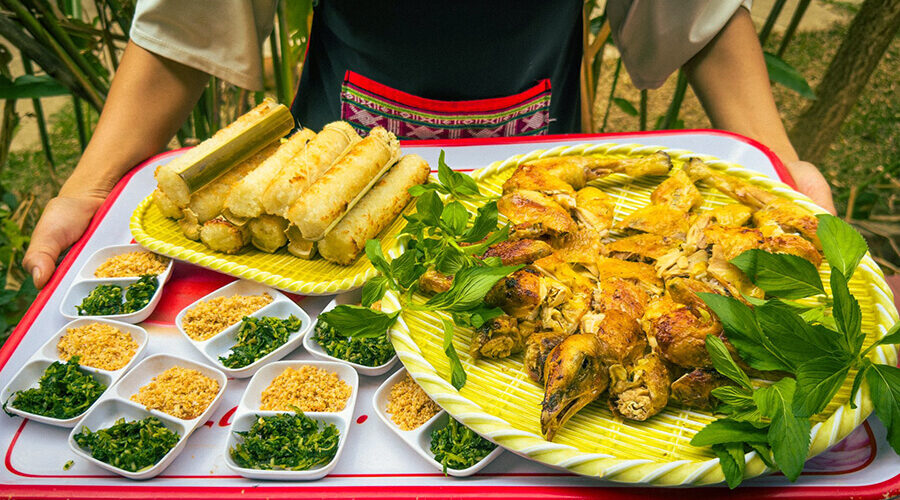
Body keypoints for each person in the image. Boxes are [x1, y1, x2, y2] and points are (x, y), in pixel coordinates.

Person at [22, 0, 836, 289]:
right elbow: (185, 31)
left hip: (532, 197)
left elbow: (692, 17)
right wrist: (91, 193)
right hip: (319, 214)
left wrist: (777, 171)